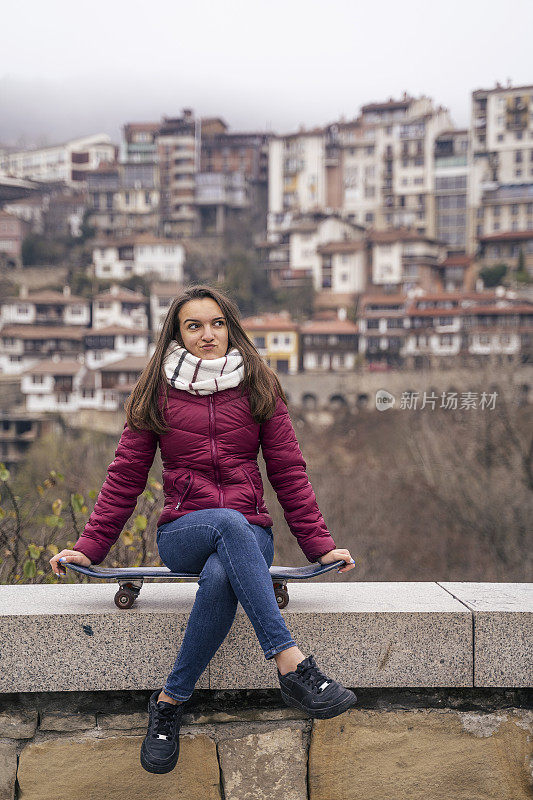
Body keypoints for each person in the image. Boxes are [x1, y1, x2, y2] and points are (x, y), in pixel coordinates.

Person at [49, 285, 357, 775]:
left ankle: (169, 703)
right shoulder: (154, 393)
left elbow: (288, 472)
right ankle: (291, 664)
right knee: (223, 525)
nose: (208, 335)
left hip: (249, 534)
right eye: (194, 326)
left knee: (222, 574)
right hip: (182, 533)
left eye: (216, 323)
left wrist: (319, 546)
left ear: (230, 327)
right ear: (178, 333)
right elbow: (125, 476)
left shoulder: (260, 385)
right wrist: (90, 547)